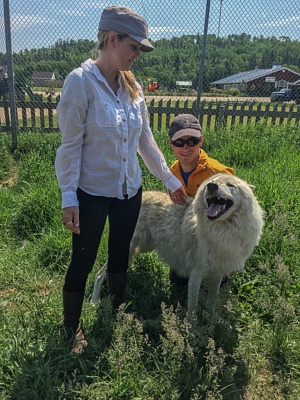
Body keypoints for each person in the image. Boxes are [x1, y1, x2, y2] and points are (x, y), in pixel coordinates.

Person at [55, 5, 187, 354]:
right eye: (134, 47)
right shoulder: (80, 83)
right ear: (112, 39)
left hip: (130, 190)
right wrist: (69, 196)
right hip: (92, 192)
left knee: (120, 252)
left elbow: (144, 139)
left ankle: (115, 311)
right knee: (82, 260)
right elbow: (69, 147)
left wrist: (170, 182)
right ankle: (71, 329)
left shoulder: (133, 87)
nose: (138, 55)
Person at [168, 114, 234, 286]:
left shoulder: (219, 172)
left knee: (214, 281)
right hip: (188, 235)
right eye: (179, 142)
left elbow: (233, 209)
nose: (186, 148)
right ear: (171, 144)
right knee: (178, 281)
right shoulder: (172, 172)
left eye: (192, 141)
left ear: (201, 140)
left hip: (214, 236)